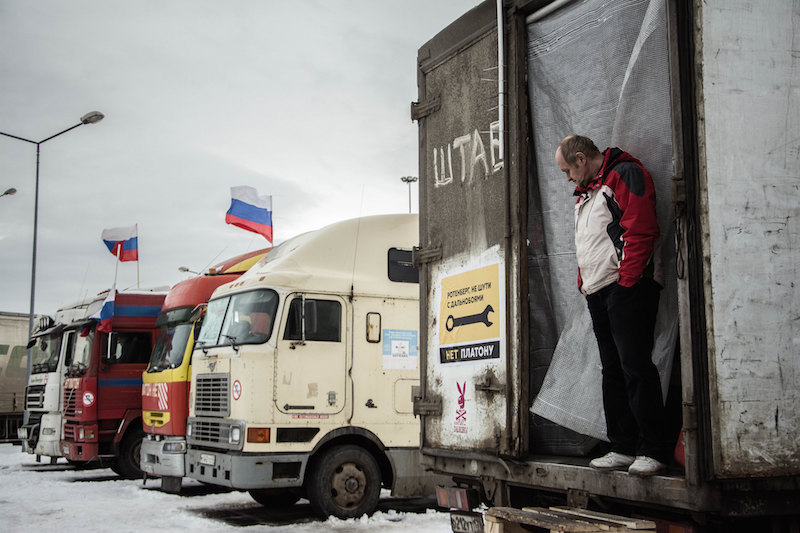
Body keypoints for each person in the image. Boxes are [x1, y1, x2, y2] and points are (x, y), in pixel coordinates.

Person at [555, 134, 672, 476]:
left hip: (627, 287)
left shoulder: (623, 175)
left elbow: (640, 230)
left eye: (567, 170)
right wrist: (583, 281)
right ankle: (622, 445)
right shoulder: (586, 192)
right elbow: (590, 241)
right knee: (612, 369)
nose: (567, 179)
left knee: (635, 366)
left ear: (580, 159)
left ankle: (653, 448)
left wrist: (627, 282)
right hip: (599, 291)